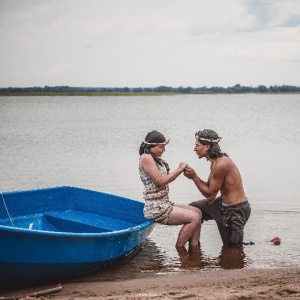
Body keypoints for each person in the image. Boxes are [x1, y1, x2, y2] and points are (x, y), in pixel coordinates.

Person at [184, 129, 251, 247]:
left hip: (236, 211)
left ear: (207, 147)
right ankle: (195, 246)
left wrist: (194, 177)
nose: (194, 149)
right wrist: (194, 177)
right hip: (221, 205)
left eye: (197, 145)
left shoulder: (221, 164)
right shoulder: (214, 162)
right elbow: (211, 189)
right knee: (193, 209)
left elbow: (210, 195)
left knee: (233, 248)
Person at [139, 130, 201, 249]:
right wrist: (179, 169)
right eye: (161, 147)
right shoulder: (146, 157)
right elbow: (160, 181)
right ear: (150, 146)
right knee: (194, 218)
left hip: (164, 203)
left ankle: (195, 249)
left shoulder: (156, 159)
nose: (164, 150)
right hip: (156, 207)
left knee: (197, 212)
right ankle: (180, 249)